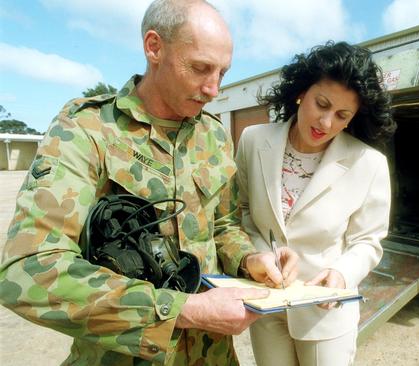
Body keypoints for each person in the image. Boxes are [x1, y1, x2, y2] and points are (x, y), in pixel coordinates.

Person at [0, 0, 297, 365]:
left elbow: (222, 226)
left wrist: (249, 259)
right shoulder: (87, 130)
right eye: (201, 68)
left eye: (222, 72)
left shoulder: (214, 136)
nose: (213, 89)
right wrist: (183, 310)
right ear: (154, 47)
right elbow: (29, 270)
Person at [235, 41, 396, 366]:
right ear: (300, 92)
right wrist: (257, 256)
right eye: (321, 104)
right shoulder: (253, 141)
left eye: (342, 115)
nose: (326, 123)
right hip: (266, 304)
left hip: (326, 312)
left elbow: (368, 241)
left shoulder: (369, 164)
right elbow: (242, 213)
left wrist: (341, 272)